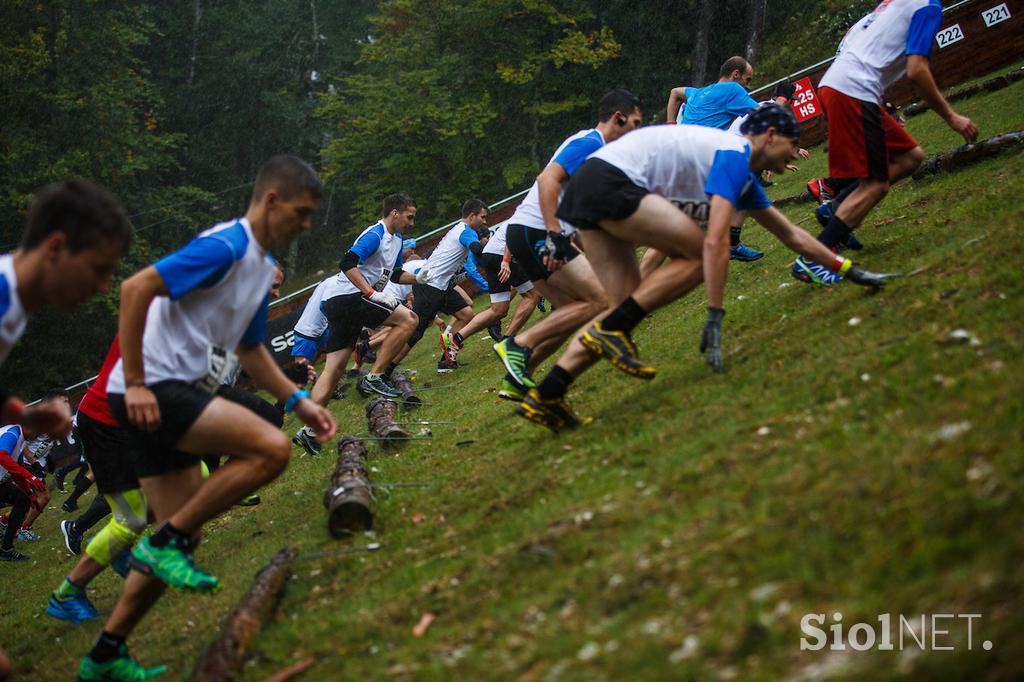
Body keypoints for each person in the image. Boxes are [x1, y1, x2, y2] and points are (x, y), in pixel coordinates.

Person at [77, 155, 336, 681]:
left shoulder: (261, 267)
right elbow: (134, 290)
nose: (306, 224)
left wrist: (298, 400)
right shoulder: (226, 246)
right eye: (302, 212)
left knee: (181, 538)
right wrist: (141, 381)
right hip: (154, 389)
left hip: (165, 393)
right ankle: (166, 539)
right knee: (270, 449)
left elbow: (250, 350)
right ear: (271, 201)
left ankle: (106, 652)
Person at [519, 104, 895, 432]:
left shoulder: (740, 173)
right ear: (769, 135)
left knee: (619, 311)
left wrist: (847, 269)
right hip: (608, 183)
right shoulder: (733, 153)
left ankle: (548, 393)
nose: (795, 152)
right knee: (697, 256)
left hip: (589, 192)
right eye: (792, 142)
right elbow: (716, 243)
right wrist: (715, 316)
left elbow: (793, 235)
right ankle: (608, 331)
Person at [792, 0, 978, 285]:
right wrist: (952, 117)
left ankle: (837, 207)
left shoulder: (893, 4)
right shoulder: (927, 7)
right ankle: (815, 258)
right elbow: (917, 69)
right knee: (875, 184)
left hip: (843, 85)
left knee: (910, 157)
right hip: (853, 89)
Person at [493, 89, 642, 401]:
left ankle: (519, 378)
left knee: (570, 309)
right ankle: (516, 345)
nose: (636, 132)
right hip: (535, 232)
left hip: (526, 233)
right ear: (618, 117)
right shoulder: (590, 143)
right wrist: (555, 235)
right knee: (600, 301)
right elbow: (548, 180)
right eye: (635, 123)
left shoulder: (599, 154)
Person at [0, 180, 131, 440]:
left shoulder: (13, 301)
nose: (104, 287)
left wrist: (20, 414)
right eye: (98, 269)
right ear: (56, 247)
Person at [294, 194, 421, 454]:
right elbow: (346, 263)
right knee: (410, 319)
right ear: (394, 213)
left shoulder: (396, 240)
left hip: (342, 303)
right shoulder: (375, 234)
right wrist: (371, 293)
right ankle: (374, 376)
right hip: (348, 297)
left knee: (334, 369)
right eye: (409, 217)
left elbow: (396, 274)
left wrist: (420, 279)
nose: (412, 223)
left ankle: (308, 431)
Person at [396, 199, 490, 373]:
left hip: (440, 285)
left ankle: (445, 361)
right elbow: (477, 250)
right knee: (415, 332)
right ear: (471, 216)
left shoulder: (459, 229)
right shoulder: (466, 231)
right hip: (430, 286)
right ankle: (385, 370)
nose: (485, 222)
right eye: (482, 217)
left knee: (466, 313)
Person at [448, 220, 540, 352]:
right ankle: (507, 341)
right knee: (532, 295)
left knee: (498, 310)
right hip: (500, 254)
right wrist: (506, 261)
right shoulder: (535, 213)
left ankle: (456, 339)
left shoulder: (528, 212)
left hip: (491, 255)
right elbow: (512, 237)